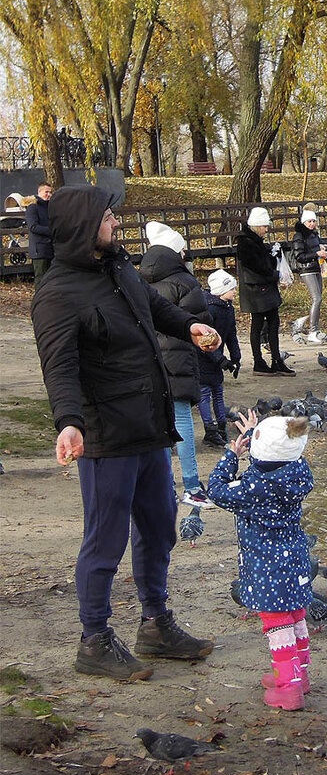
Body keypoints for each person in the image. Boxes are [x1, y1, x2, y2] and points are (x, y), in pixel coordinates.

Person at [30, 184, 220, 681]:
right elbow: (59, 368)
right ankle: (94, 639)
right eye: (108, 216)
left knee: (159, 527)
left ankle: (155, 624)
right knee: (105, 539)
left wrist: (190, 327)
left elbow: (154, 309)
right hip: (104, 435)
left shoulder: (119, 268)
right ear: (81, 227)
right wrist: (69, 422)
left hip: (149, 426)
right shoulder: (55, 294)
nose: (116, 222)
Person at [206, 412, 314, 711]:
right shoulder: (298, 472)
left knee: (276, 622)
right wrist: (258, 435)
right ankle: (299, 676)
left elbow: (216, 490)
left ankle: (288, 689)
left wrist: (231, 456)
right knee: (295, 615)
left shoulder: (254, 489)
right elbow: (276, 455)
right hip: (295, 559)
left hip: (268, 566)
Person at [140, 222, 215, 519]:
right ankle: (193, 486)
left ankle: (164, 486)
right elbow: (202, 317)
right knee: (182, 422)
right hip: (179, 356)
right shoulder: (185, 281)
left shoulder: (137, 278)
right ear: (175, 251)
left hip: (151, 359)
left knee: (159, 426)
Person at [236, 207, 294, 376]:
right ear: (256, 226)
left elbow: (262, 263)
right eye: (264, 226)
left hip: (263, 286)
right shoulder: (246, 243)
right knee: (258, 324)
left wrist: (272, 254)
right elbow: (257, 267)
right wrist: (276, 274)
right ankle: (259, 361)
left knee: (273, 322)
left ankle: (276, 360)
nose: (266, 229)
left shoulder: (255, 241)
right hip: (256, 288)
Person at [198, 269, 241, 448]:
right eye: (232, 288)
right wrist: (221, 359)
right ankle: (210, 430)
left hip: (216, 357)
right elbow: (204, 340)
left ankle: (221, 427)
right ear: (222, 290)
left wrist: (236, 357)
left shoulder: (227, 308)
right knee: (205, 394)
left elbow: (231, 334)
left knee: (218, 392)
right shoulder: (209, 309)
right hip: (203, 358)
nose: (235, 291)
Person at [291, 209, 327, 343]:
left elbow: (319, 250)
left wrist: (326, 253)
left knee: (319, 298)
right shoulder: (299, 236)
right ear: (304, 222)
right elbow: (299, 256)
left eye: (314, 221)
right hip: (306, 269)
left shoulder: (315, 235)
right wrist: (316, 254)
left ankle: (314, 328)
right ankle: (312, 330)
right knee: (317, 298)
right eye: (309, 221)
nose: (312, 224)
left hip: (317, 268)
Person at [26, 182, 54, 284]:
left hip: (51, 248)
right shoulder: (32, 207)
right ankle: (39, 299)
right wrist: (51, 231)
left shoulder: (49, 207)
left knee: (51, 279)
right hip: (39, 250)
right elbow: (33, 227)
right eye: (46, 192)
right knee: (41, 279)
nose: (49, 194)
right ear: (39, 192)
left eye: (50, 192)